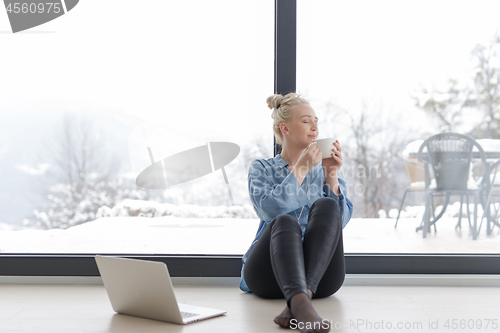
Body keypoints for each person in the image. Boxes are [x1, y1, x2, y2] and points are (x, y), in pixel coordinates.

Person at [240, 92, 353, 333]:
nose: (315, 126)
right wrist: (300, 169)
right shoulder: (261, 168)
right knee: (284, 221)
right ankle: (303, 305)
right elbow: (267, 210)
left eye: (316, 121)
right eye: (306, 121)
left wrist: (331, 175)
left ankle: (300, 303)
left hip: (321, 277)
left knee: (328, 205)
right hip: (268, 276)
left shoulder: (323, 169)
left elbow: (338, 225)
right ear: (285, 128)